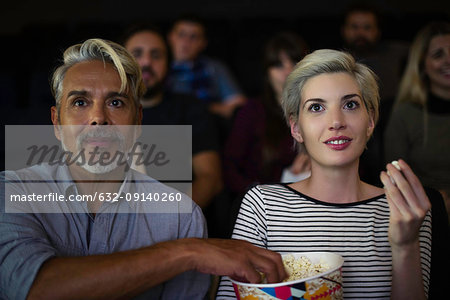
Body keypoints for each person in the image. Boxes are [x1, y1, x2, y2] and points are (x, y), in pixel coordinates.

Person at [0, 38, 288, 300]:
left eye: (115, 102)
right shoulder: (13, 191)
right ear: (56, 122)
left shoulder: (181, 217)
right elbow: (31, 288)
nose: (98, 118)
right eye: (80, 102)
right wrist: (185, 252)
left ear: (138, 121)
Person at [217, 49, 449, 299]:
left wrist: (405, 246)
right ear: (296, 128)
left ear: (370, 120)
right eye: (316, 107)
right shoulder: (261, 204)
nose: (336, 121)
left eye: (350, 105)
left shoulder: (410, 210)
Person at [122, 24, 223, 210]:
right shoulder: (103, 113)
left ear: (168, 63)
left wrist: (173, 218)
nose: (146, 63)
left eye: (156, 55)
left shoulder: (191, 108)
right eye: (136, 54)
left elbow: (210, 177)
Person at [223, 31, 310, 199]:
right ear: (267, 72)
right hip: (267, 204)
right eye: (278, 65)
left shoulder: (322, 108)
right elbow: (229, 170)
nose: (288, 72)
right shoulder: (252, 111)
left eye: (295, 62)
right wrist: (262, 194)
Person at [384, 21, 450, 225]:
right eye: (438, 55)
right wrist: (436, 200)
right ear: (422, 64)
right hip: (429, 214)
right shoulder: (405, 114)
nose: (449, 60)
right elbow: (395, 179)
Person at [340, 3, 409, 185]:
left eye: (367, 28)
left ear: (377, 31)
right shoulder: (335, 61)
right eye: (354, 27)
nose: (360, 33)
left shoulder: (397, 53)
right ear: (344, 30)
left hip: (391, 120)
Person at [166, 14, 246, 119]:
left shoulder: (214, 68)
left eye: (193, 37)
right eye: (181, 35)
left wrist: (203, 108)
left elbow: (239, 106)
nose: (186, 42)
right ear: (170, 37)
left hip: (206, 126)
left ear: (203, 43)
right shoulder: (159, 67)